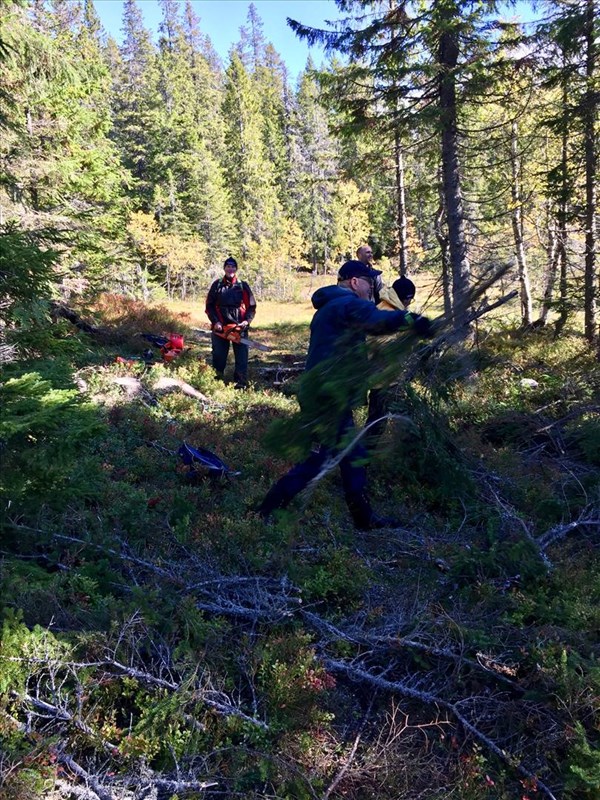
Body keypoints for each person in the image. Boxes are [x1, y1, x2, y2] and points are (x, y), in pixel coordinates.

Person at [258, 260, 431, 530]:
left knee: (352, 454)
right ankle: (265, 512)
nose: (373, 288)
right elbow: (377, 321)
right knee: (321, 458)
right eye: (369, 281)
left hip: (324, 394)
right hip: (328, 397)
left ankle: (363, 518)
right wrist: (410, 319)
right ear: (354, 282)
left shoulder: (330, 306)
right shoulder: (349, 304)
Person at [365, 275, 418, 446]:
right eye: (410, 299)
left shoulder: (395, 311)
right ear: (406, 297)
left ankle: (404, 454)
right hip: (382, 380)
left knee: (401, 418)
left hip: (393, 378)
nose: (410, 302)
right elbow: (376, 341)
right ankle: (362, 461)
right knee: (376, 425)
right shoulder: (385, 312)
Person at [205, 257, 256, 388]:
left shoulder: (242, 285)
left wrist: (246, 321)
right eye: (228, 266)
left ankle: (240, 383)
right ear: (224, 268)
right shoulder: (217, 285)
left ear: (236, 269)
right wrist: (215, 321)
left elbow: (251, 306)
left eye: (233, 266)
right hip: (220, 327)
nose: (230, 269)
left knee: (242, 357)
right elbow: (209, 306)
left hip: (239, 327)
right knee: (219, 356)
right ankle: (217, 381)